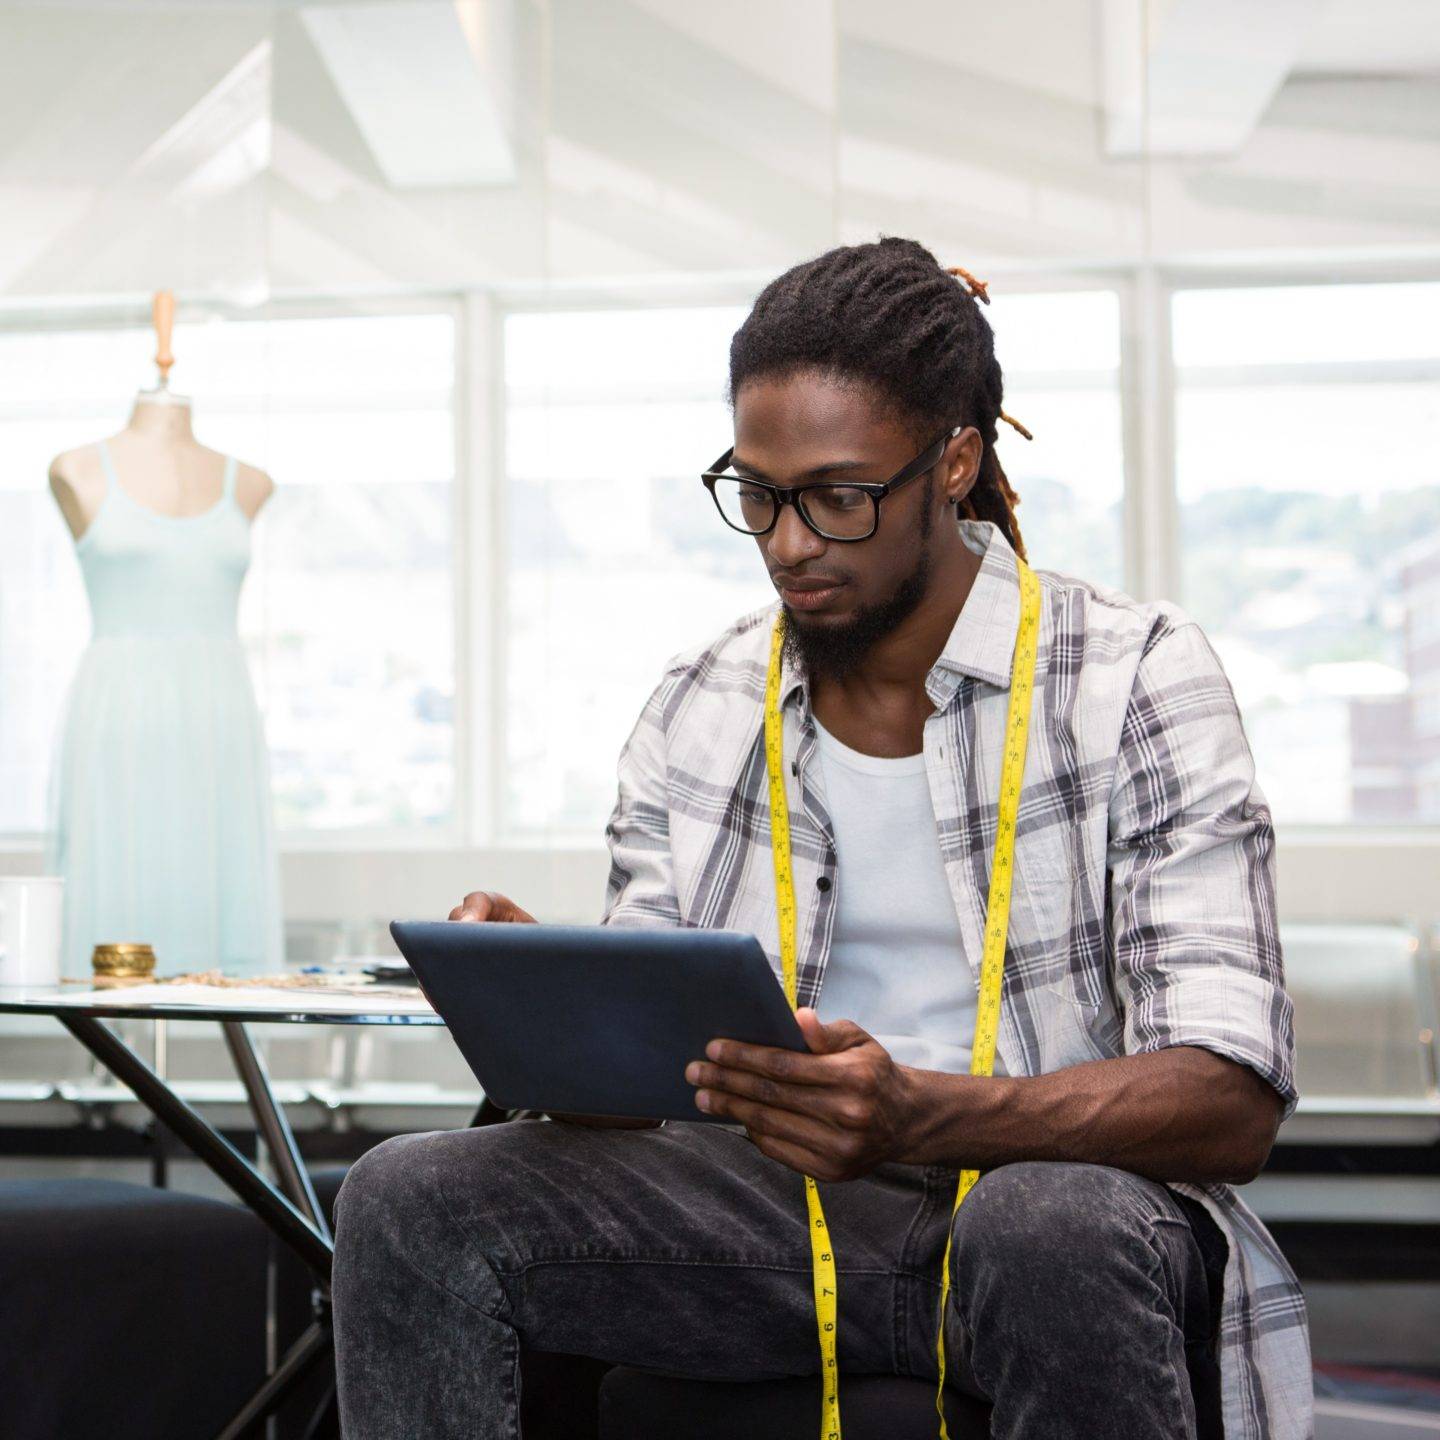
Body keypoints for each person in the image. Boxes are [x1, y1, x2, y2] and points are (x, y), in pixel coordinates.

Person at [332, 238, 1310, 1440]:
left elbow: (1227, 1099)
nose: (790, 542)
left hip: (1049, 1218)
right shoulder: (700, 698)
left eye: (839, 497)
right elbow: (654, 1104)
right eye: (758, 494)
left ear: (953, 463)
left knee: (1042, 1224)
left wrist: (919, 1116)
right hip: (773, 1221)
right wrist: (569, 1019)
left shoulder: (1137, 677)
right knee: (407, 1198)